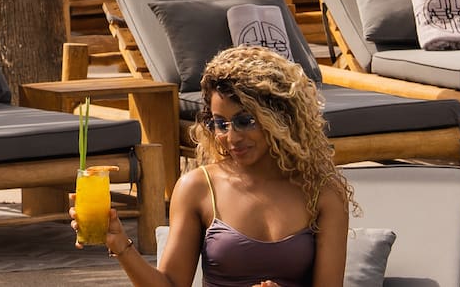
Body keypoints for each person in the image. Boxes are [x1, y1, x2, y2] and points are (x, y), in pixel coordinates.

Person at [75, 46, 351, 287]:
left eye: (245, 121)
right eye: (220, 123)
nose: (230, 137)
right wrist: (120, 243)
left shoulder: (322, 192)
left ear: (278, 119)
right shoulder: (197, 188)